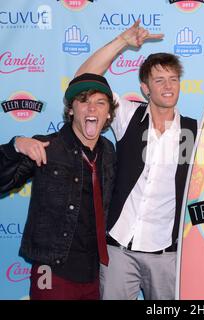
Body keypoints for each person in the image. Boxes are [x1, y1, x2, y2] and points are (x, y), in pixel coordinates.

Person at [75, 21, 198, 300]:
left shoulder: (193, 131)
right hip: (119, 249)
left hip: (167, 255)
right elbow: (82, 80)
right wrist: (122, 41)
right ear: (145, 88)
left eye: (173, 79)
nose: (168, 86)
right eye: (159, 80)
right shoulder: (128, 116)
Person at [0, 73, 118, 299]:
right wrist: (15, 145)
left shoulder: (109, 151)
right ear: (71, 110)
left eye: (100, 102)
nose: (92, 108)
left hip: (95, 271)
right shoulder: (47, 146)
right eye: (84, 101)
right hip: (52, 269)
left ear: (108, 113)